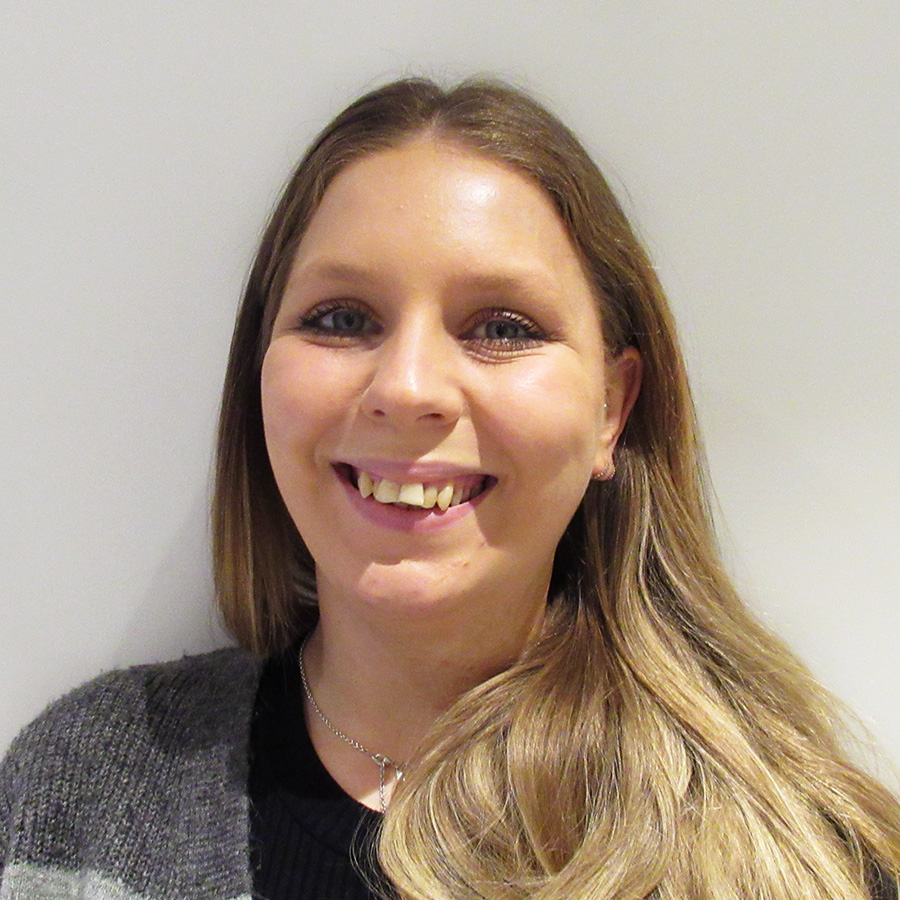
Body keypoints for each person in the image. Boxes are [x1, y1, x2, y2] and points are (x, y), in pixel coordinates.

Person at [1, 77, 898, 900]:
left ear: (611, 410)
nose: (407, 388)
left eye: (501, 328)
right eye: (341, 318)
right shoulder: (83, 791)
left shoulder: (801, 856)